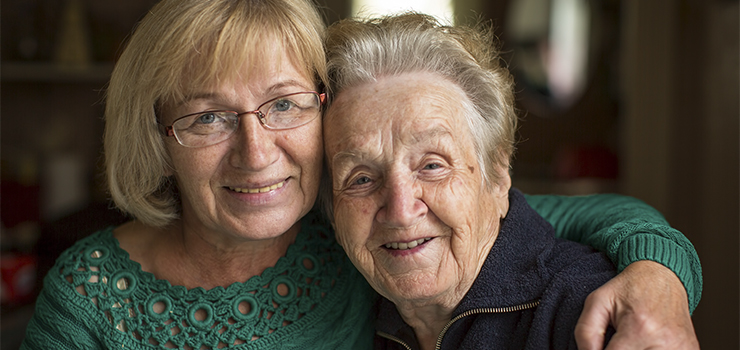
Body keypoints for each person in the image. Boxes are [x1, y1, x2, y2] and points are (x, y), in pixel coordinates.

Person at [19, 1, 699, 349]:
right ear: (158, 135)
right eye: (206, 118)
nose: (256, 154)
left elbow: (572, 218)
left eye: (282, 105)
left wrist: (659, 275)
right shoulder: (88, 300)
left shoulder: (351, 230)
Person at [321, 12, 700, 350]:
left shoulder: (587, 315)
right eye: (361, 178)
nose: (401, 212)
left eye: (432, 166)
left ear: (498, 176)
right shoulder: (340, 310)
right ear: (333, 212)